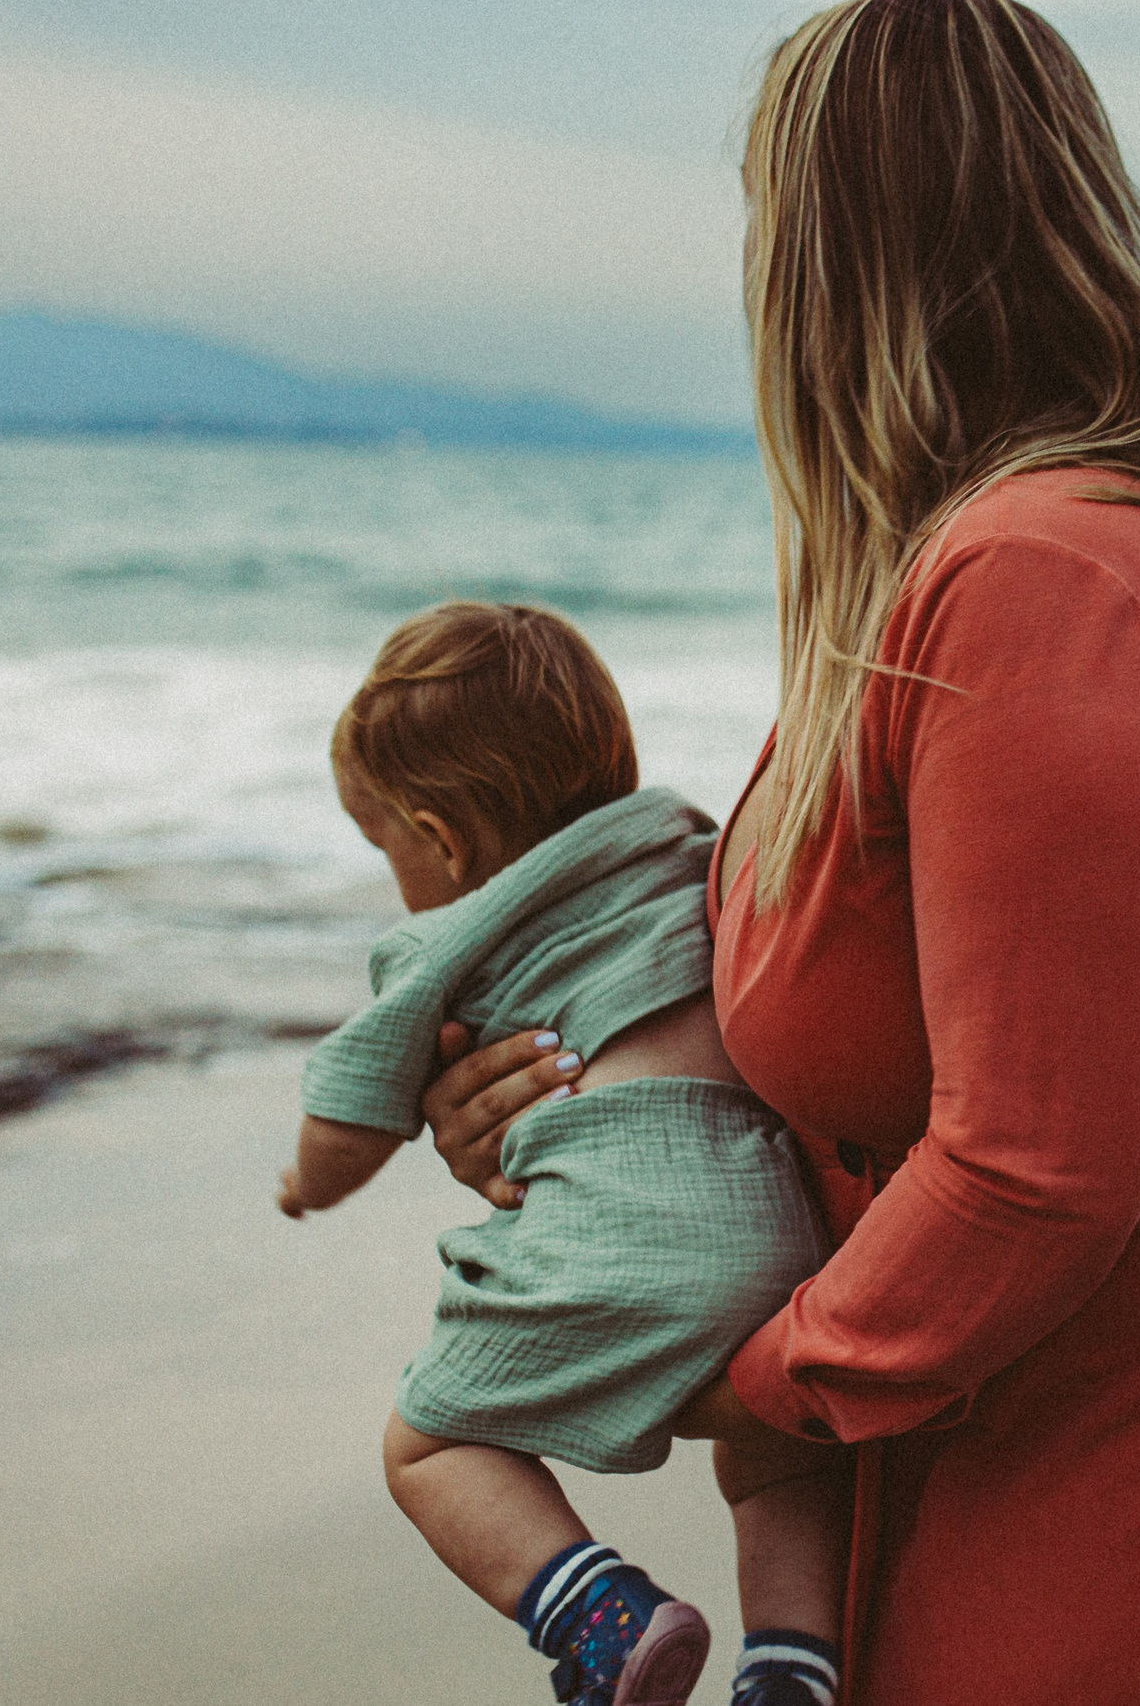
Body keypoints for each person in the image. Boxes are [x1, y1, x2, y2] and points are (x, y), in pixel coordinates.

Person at [426, 5, 1140, 1702]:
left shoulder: (1038, 580)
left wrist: (734, 1379)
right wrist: (571, 1111)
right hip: (979, 1365)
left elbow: (1037, 1170)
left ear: (830, 256)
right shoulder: (944, 568)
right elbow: (853, 1002)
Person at [277, 601, 850, 1706]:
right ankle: (792, 1663)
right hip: (785, 1231)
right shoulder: (695, 852)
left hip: (621, 1239)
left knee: (432, 1448)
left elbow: (348, 1125)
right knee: (779, 1453)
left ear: (440, 840)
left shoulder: (444, 939)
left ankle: (602, 1618)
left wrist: (303, 1186)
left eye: (383, 844)